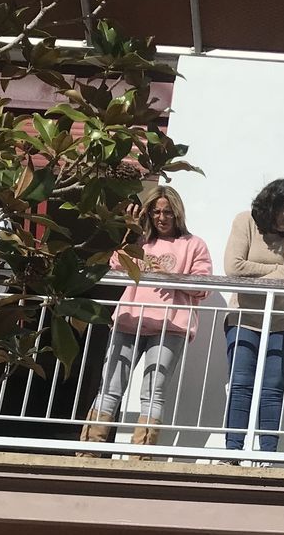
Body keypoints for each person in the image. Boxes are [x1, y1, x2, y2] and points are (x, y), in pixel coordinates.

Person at [80, 185, 213, 450]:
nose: (161, 218)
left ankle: (140, 454)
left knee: (153, 392)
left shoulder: (193, 244)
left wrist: (171, 278)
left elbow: (204, 286)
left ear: (178, 213)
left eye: (168, 212)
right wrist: (130, 231)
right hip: (130, 320)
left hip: (170, 326)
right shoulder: (141, 242)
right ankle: (88, 450)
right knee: (110, 387)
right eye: (155, 212)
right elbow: (116, 264)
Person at [223, 179, 284, 454]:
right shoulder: (245, 221)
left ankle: (267, 454)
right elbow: (233, 267)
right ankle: (232, 453)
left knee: (272, 387)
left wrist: (255, 276)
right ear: (271, 205)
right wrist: (276, 271)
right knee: (241, 384)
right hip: (244, 316)